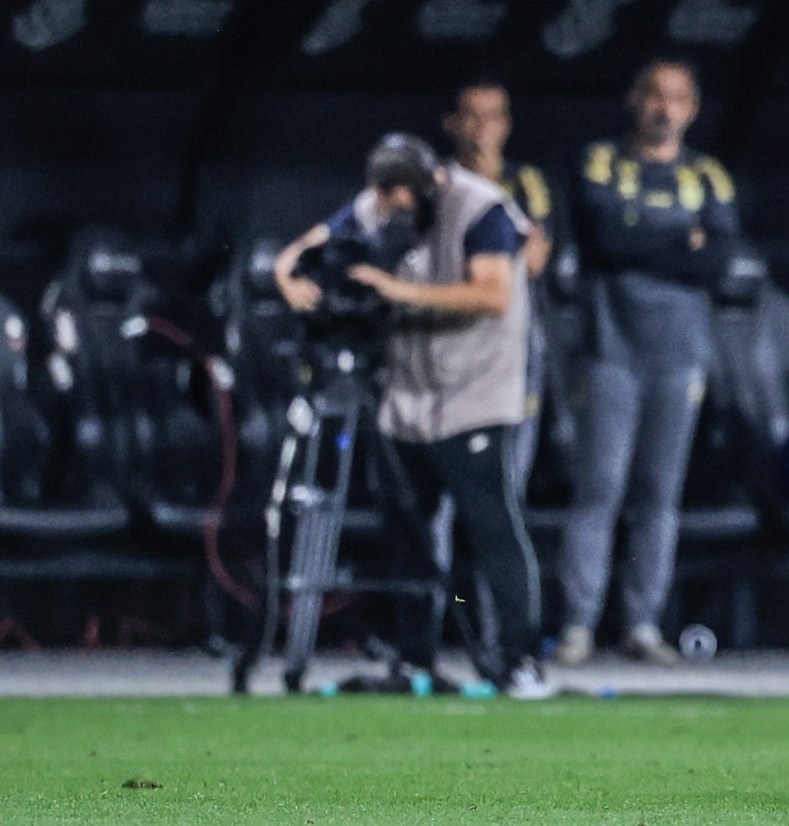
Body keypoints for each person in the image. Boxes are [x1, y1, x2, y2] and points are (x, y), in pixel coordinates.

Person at [272, 133, 548, 699]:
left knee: (489, 529)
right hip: (407, 395)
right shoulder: (377, 204)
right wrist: (289, 278)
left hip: (474, 392)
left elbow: (492, 295)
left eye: (401, 198)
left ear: (423, 188)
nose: (392, 209)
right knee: (409, 534)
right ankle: (414, 655)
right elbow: (303, 251)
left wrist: (394, 289)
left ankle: (518, 658)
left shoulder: (480, 208)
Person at [556, 60, 740, 667]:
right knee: (599, 488)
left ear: (693, 108)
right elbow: (603, 237)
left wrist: (641, 240)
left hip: (679, 356)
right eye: (655, 96)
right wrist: (679, 242)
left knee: (660, 495)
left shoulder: (707, 175)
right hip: (611, 351)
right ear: (635, 100)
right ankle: (578, 625)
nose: (665, 109)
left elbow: (717, 261)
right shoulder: (602, 162)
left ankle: (641, 624)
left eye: (677, 98)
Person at [444, 79, 558, 497]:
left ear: (507, 124)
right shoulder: (439, 183)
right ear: (452, 123)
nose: (482, 128)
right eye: (472, 117)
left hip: (514, 335)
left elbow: (535, 260)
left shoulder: (526, 181)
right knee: (450, 462)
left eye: (493, 117)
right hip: (453, 336)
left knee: (510, 466)